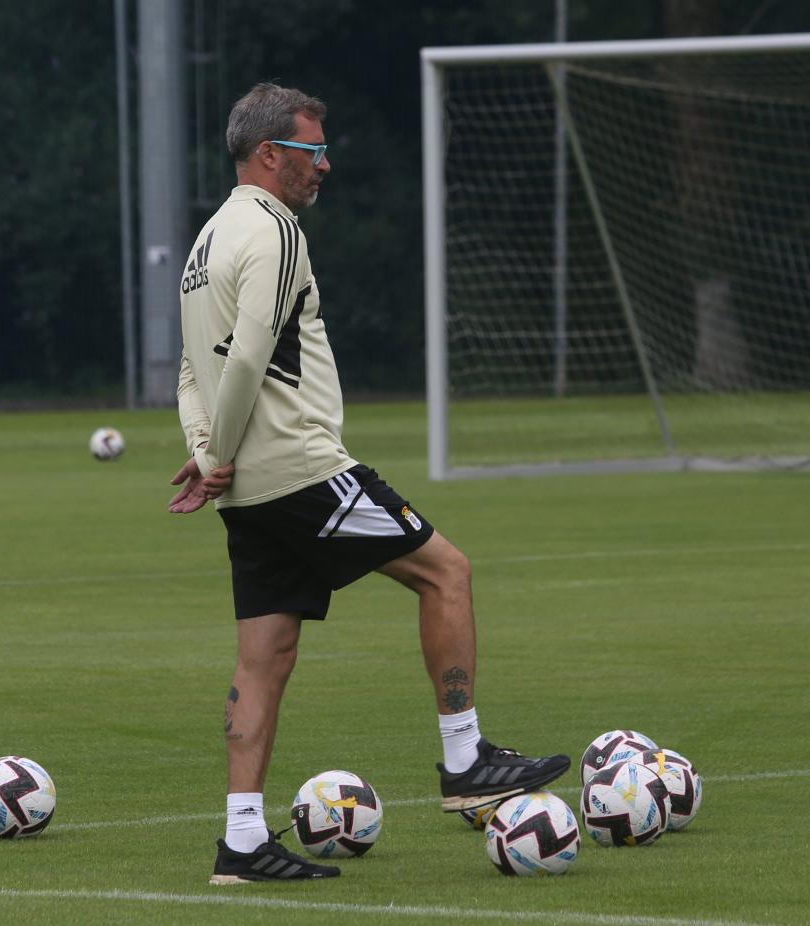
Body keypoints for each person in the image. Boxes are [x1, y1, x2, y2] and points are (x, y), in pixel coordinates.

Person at [169, 82, 569, 885]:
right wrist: (221, 455)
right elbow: (246, 358)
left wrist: (210, 449)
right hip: (300, 467)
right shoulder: (276, 231)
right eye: (313, 152)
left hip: (251, 489)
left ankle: (242, 843)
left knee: (264, 657)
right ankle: (466, 761)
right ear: (270, 155)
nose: (326, 165)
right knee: (445, 570)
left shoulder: (205, 242)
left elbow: (191, 371)